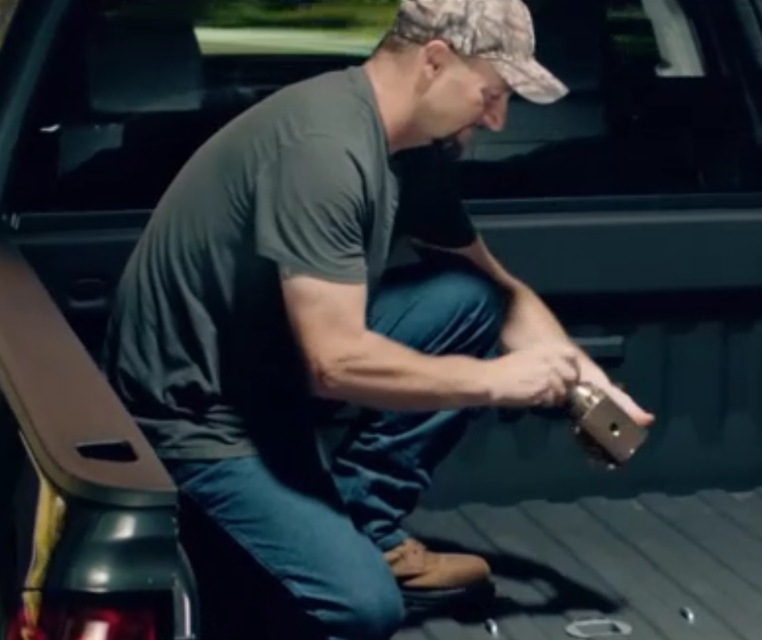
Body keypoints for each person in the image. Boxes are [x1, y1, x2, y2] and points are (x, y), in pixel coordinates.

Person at [100, 0, 654, 637]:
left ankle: (363, 529)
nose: (497, 119)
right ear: (435, 61)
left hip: (271, 373)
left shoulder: (407, 146)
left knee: (469, 299)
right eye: (491, 93)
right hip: (198, 420)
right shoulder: (325, 150)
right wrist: (497, 383)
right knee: (362, 608)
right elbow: (333, 362)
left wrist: (588, 388)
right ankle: (278, 564)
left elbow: (497, 289)